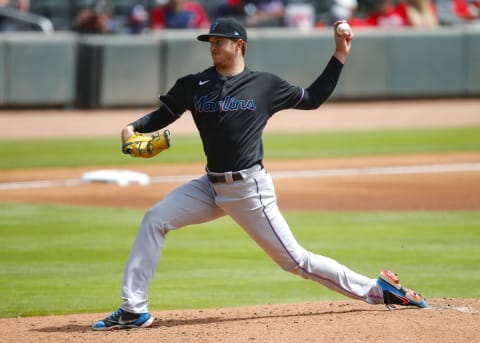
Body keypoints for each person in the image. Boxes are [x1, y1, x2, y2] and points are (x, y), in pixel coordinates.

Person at [92, 17, 428, 331]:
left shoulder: (264, 85)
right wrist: (130, 129)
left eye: (219, 41)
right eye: (209, 41)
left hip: (249, 190)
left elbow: (311, 98)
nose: (212, 46)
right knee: (155, 219)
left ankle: (378, 289)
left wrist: (339, 54)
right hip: (210, 186)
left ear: (239, 45)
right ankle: (134, 309)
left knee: (297, 262)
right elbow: (162, 115)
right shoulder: (195, 85)